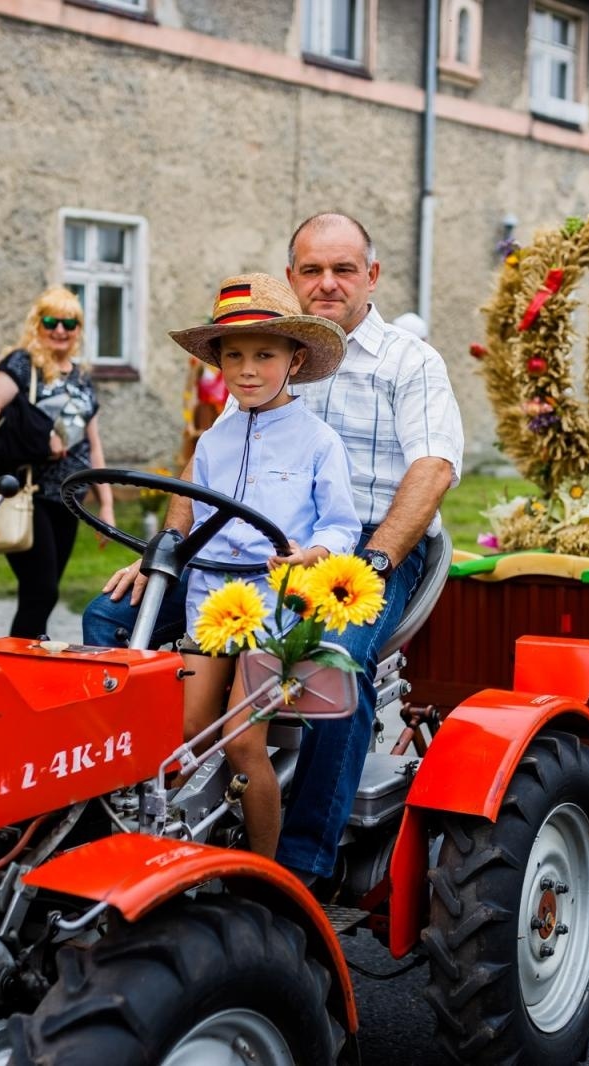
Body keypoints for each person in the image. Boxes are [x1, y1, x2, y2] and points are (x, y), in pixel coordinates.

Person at [83, 212, 465, 886]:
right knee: (111, 620)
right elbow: (202, 481)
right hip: (241, 559)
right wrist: (164, 554)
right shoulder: (260, 364)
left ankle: (304, 866)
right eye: (311, 270)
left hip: (362, 551)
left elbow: (432, 468)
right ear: (292, 279)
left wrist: (365, 563)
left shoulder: (410, 363)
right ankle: (113, 805)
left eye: (343, 269)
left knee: (338, 657)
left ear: (370, 276)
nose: (326, 283)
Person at [168, 273, 360, 860]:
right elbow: (191, 519)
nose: (248, 370)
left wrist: (314, 553)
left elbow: (340, 524)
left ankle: (265, 872)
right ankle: (176, 849)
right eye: (234, 357)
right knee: (182, 738)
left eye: (264, 355)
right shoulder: (212, 443)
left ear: (294, 359)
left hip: (275, 607)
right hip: (212, 601)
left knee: (239, 741)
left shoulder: (318, 442)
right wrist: (158, 555)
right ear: (218, 364)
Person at [0, 286, 114, 638]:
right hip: (29, 494)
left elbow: (93, 445)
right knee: (42, 590)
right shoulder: (21, 365)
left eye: (70, 323)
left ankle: (26, 654)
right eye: (51, 321)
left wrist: (106, 506)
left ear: (80, 329)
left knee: (39, 590)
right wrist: (43, 440)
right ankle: (21, 660)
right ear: (37, 324)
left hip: (70, 500)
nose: (60, 330)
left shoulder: (82, 377)